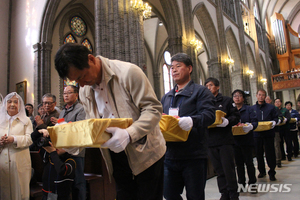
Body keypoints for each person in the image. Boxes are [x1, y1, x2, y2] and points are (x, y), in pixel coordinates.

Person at [54, 43, 166, 200]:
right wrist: (69, 134)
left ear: (91, 59)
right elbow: (91, 125)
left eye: (81, 77)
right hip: (116, 157)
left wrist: (129, 133)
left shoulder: (129, 73)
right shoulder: (85, 89)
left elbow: (153, 109)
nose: (82, 85)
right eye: (76, 82)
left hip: (147, 154)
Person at [160, 53, 215, 200]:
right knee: (169, 194)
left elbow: (210, 116)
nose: (174, 70)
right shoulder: (167, 97)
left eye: (179, 66)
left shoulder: (201, 92)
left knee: (195, 196)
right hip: (170, 155)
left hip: (194, 154)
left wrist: (192, 120)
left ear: (189, 68)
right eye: (172, 67)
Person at [205, 77, 240, 200]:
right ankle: (224, 193)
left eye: (210, 85)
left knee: (228, 169)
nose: (208, 88)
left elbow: (236, 116)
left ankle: (233, 194)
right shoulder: (204, 103)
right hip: (211, 141)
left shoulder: (226, 101)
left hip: (225, 141)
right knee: (218, 170)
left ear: (217, 87)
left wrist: (227, 121)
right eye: (206, 86)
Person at [51, 85, 87, 200]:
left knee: (78, 182)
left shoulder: (81, 109)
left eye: (69, 92)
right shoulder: (63, 110)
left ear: (76, 95)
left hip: (76, 150)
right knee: (67, 183)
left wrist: (61, 123)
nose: (65, 95)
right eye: (64, 93)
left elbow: (80, 128)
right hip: (63, 150)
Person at [0, 92, 33, 200]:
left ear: (20, 105)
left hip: (19, 161)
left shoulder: (26, 121)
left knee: (20, 192)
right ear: (5, 104)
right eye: (9, 102)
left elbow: (30, 139)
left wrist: (13, 139)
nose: (12, 104)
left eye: (15, 102)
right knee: (4, 192)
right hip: (2, 162)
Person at [31, 128, 76, 200]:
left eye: (60, 144)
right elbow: (34, 137)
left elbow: (62, 170)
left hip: (62, 197)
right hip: (46, 194)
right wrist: (41, 131)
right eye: (55, 143)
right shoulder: (48, 155)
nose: (56, 147)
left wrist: (53, 153)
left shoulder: (71, 161)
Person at [232, 90, 258, 192]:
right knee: (239, 164)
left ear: (243, 98)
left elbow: (255, 122)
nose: (237, 97)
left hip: (247, 140)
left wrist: (250, 126)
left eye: (239, 96)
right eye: (235, 96)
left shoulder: (249, 109)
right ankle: (241, 184)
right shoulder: (231, 110)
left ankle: (252, 184)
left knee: (249, 163)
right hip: (235, 141)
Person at [251, 89, 278, 181]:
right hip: (256, 134)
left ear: (265, 96)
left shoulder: (271, 107)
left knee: (270, 152)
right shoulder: (252, 108)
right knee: (258, 153)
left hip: (268, 133)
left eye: (263, 95)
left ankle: (272, 171)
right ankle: (261, 171)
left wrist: (274, 122)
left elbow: (276, 117)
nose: (261, 96)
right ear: (256, 95)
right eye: (259, 95)